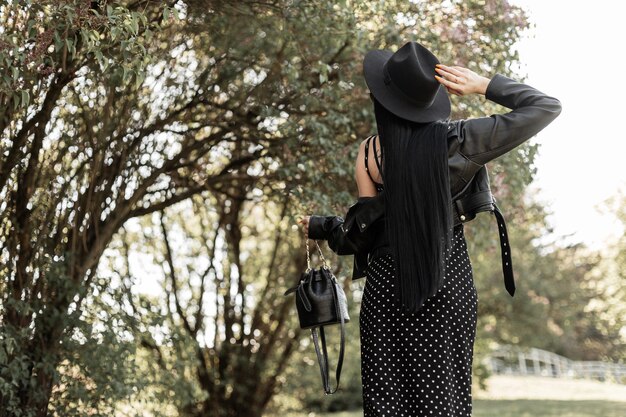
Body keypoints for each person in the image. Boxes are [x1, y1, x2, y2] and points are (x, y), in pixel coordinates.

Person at [297, 41, 561, 416]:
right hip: (446, 281)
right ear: (428, 98)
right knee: (444, 401)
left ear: (383, 101)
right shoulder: (459, 141)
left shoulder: (370, 154)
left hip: (387, 289)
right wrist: (484, 84)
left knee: (388, 403)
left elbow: (361, 235)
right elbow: (546, 106)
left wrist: (322, 227)